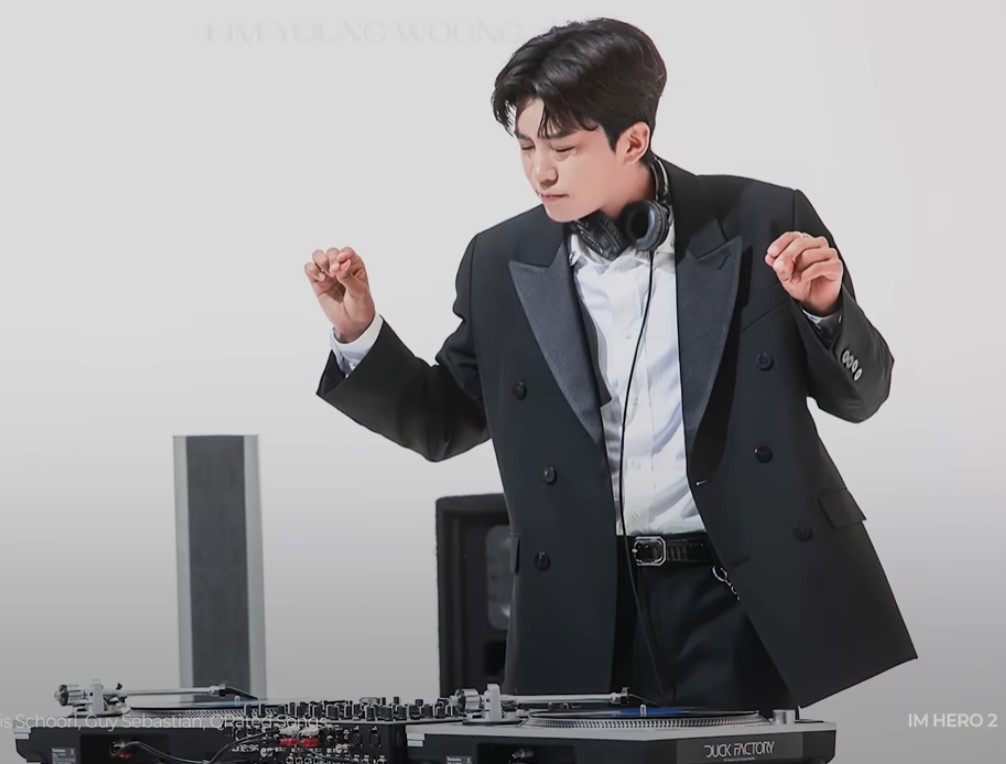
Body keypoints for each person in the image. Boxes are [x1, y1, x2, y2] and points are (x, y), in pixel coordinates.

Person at [305, 17, 916, 715]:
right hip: (582, 603)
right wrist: (358, 332)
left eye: (563, 147)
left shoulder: (764, 219)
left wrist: (825, 310)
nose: (540, 171)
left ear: (633, 140)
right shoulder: (499, 260)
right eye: (526, 146)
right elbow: (444, 424)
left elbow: (861, 397)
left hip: (739, 599)